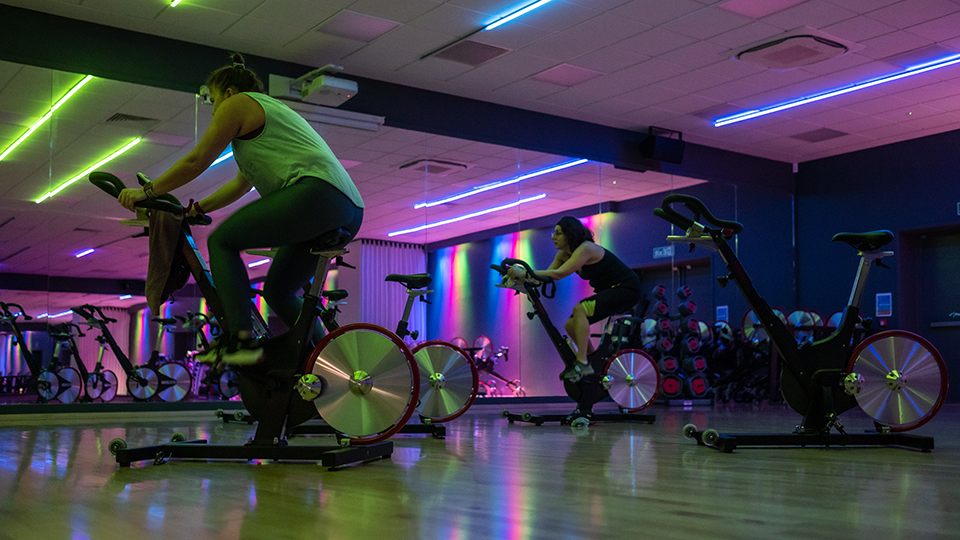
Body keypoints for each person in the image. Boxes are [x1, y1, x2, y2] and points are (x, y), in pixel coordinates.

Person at [118, 52, 364, 365]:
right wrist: (197, 208)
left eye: (213, 100)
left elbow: (196, 161)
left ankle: (241, 340)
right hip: (347, 208)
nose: (213, 110)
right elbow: (239, 185)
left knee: (222, 241)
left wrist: (147, 191)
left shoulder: (239, 104)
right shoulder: (266, 119)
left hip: (319, 194)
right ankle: (326, 364)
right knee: (279, 292)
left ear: (229, 92)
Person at [508, 216, 640, 381]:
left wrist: (526, 272)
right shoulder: (563, 255)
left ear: (570, 234)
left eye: (558, 233)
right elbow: (544, 278)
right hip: (610, 291)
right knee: (571, 325)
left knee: (580, 309)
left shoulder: (586, 248)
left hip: (626, 289)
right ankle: (593, 362)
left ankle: (582, 363)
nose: (553, 237)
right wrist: (518, 279)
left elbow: (559, 274)